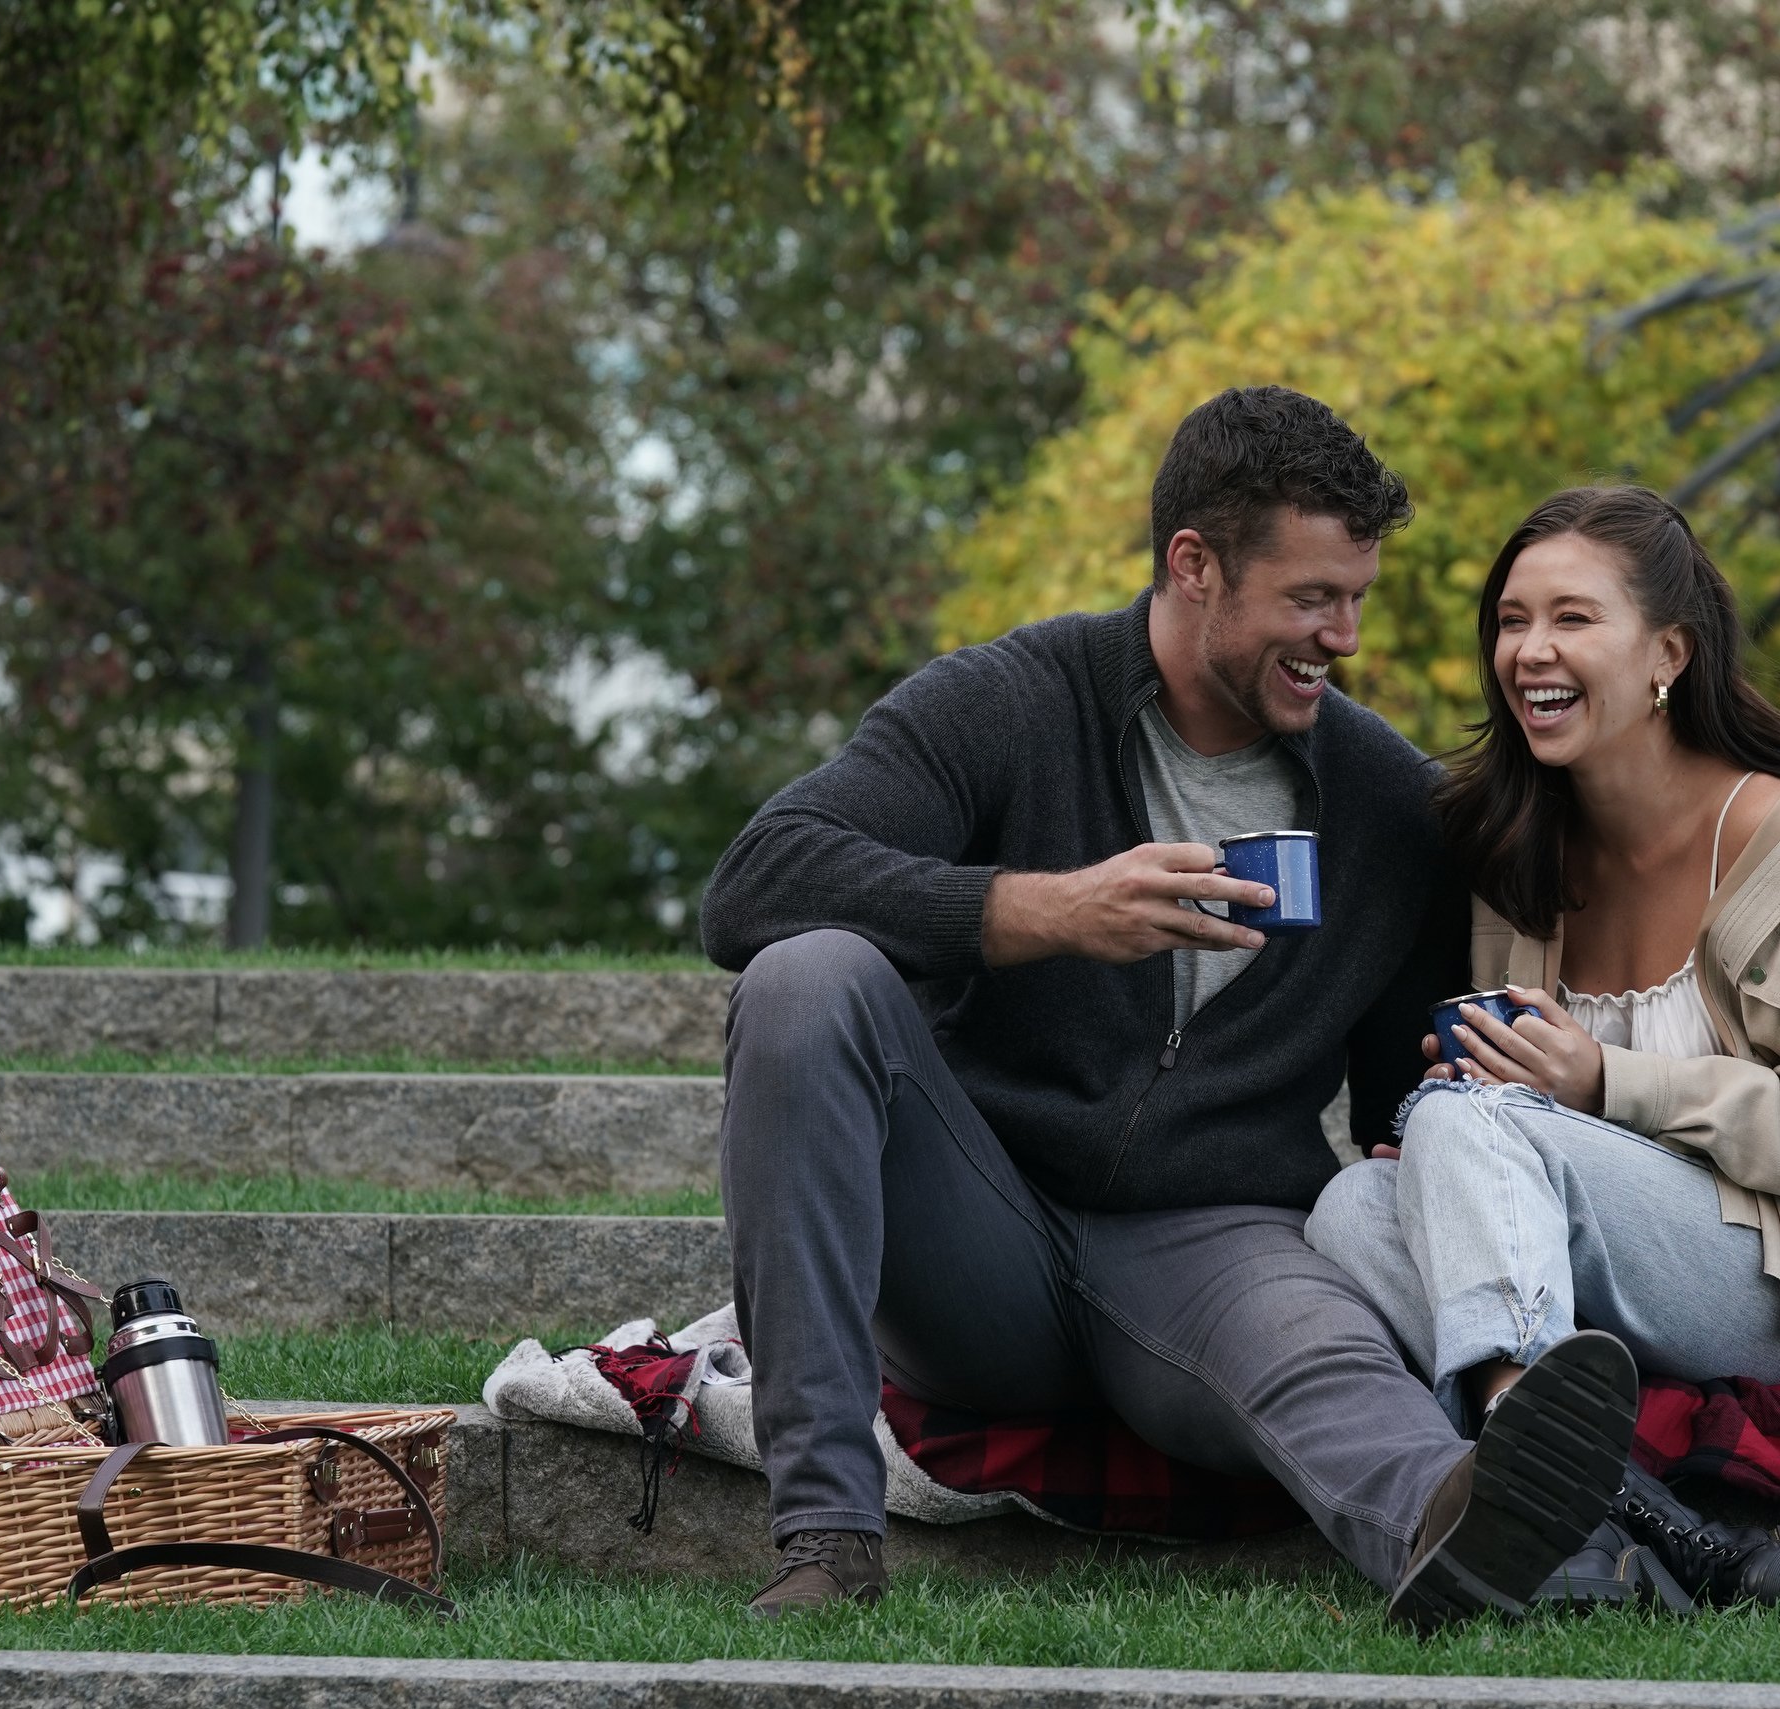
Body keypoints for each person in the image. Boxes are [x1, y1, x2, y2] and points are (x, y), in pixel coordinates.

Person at [699, 386, 1641, 1629]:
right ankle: (826, 1538)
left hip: (1215, 1241)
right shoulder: (1008, 703)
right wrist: (1041, 911)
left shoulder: (1382, 801)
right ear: (1195, 566)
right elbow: (754, 883)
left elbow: (1400, 1104)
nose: (1344, 636)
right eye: (1312, 598)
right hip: (974, 1231)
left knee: (1315, 1348)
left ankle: (1483, 1533)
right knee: (807, 979)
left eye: (1357, 596)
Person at [1306, 485, 1780, 1606]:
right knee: (1349, 1212)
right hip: (1599, 1271)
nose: (1530, 650)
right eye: (1511, 620)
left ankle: (1565, 1489)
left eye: (1571, 618)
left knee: (1467, 1123)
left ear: (1668, 652)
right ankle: (1662, 1524)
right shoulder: (1520, 853)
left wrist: (1608, 1081)